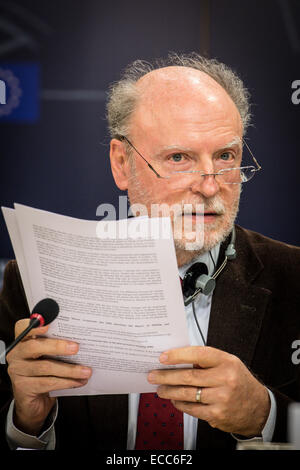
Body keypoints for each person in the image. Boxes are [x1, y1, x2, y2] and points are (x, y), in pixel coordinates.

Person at [0, 53, 299, 450]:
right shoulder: (35, 284)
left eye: (226, 156)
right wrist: (27, 417)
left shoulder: (294, 278)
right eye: (179, 158)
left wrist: (265, 415)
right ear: (122, 164)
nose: (211, 187)